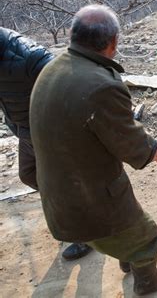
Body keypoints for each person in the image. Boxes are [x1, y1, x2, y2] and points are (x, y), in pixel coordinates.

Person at [29, 4, 157, 295]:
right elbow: (127, 141)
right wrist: (155, 149)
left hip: (56, 191)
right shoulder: (102, 85)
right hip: (86, 197)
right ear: (113, 42)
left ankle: (127, 257)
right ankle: (148, 280)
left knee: (123, 233)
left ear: (74, 36)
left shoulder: (51, 68)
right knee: (147, 237)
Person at [0, 27, 92, 260]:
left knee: (58, 183)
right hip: (24, 128)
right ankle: (74, 206)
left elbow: (64, 78)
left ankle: (84, 232)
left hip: (47, 128)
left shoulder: (25, 53)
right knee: (29, 174)